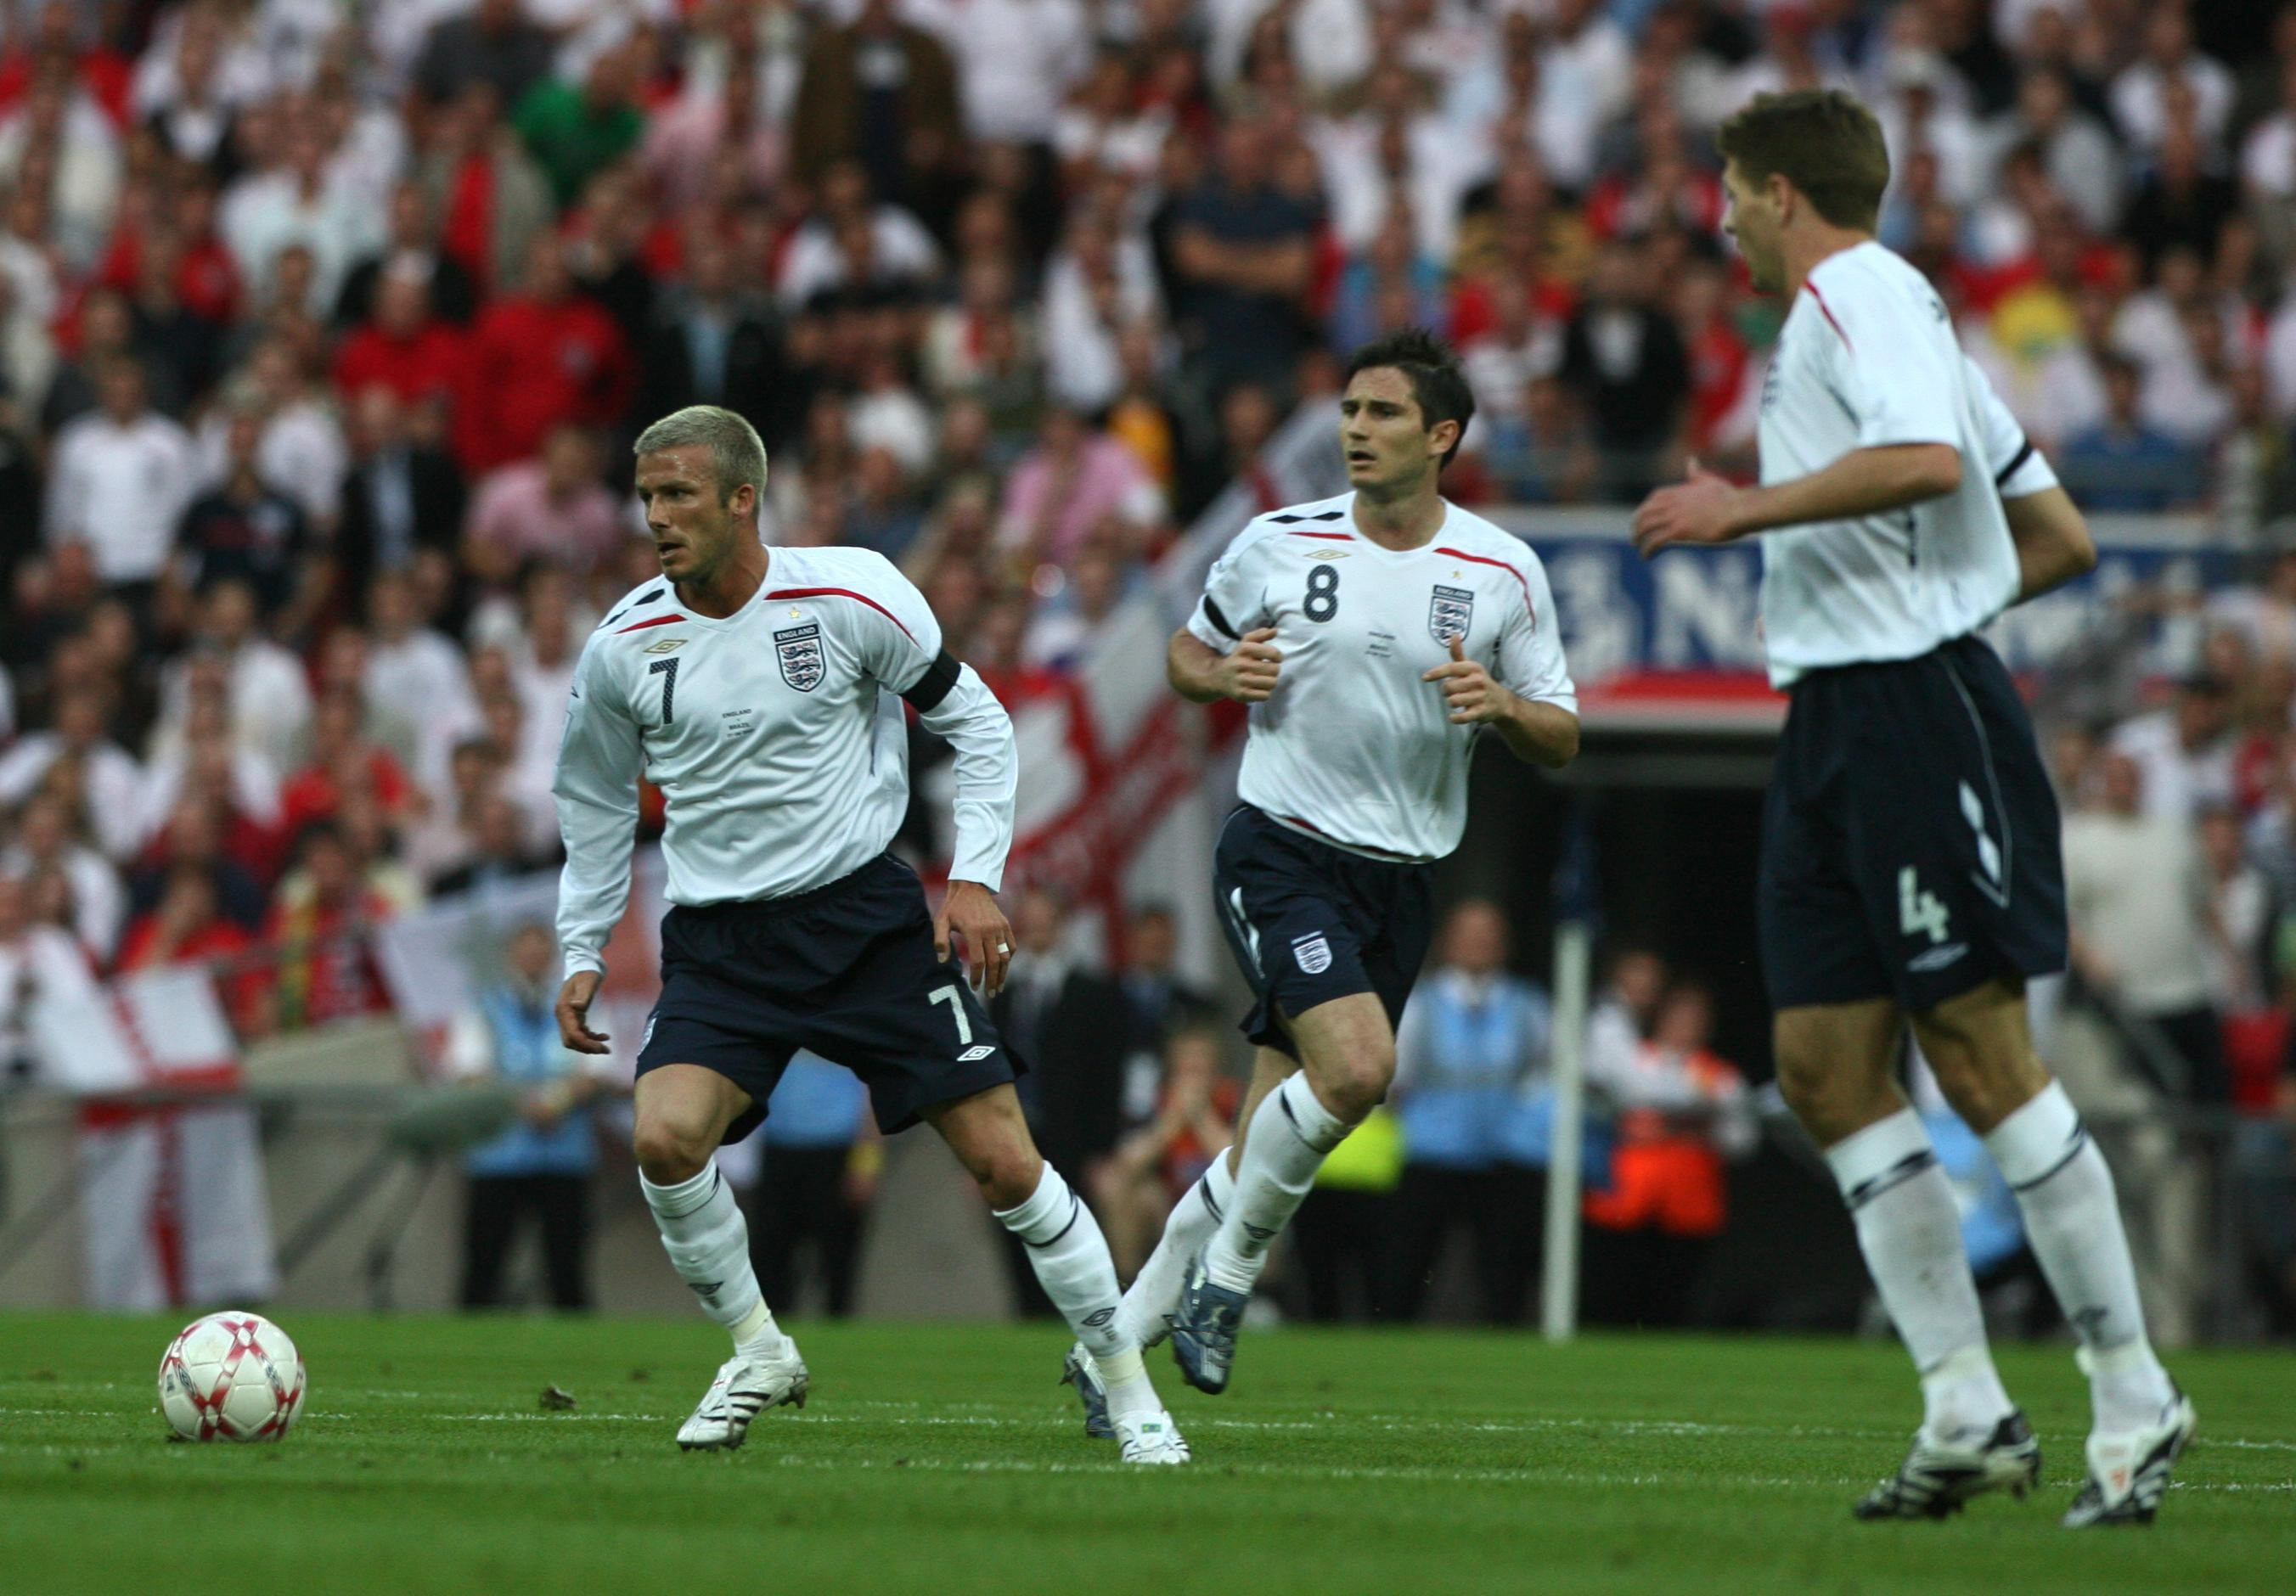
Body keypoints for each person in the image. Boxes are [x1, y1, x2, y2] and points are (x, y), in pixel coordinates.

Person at [1629, 88, 2188, 1526]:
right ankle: (1962, 1408)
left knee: (1978, 1050)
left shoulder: (1857, 292)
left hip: (1904, 708)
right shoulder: (1902, 317)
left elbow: (1930, 469)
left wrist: (1737, 511)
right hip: (1835, 713)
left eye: (1731, 193)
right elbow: (2048, 531)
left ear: (1773, 195)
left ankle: (2129, 1392)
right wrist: (1944, 586)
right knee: (1819, 1065)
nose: (1722, 220)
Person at [550, 405, 1185, 1462]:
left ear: (742, 499)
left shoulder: (849, 591)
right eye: (648, 495)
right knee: (663, 1136)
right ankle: (757, 1346)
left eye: (679, 495)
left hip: (862, 923)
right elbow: (595, 801)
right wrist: (581, 944)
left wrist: (975, 877)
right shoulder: (624, 643)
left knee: (1005, 1164)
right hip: (720, 943)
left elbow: (977, 720)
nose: (656, 516)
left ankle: (1128, 1390)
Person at [1064, 327, 1579, 1427]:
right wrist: (1220, 674)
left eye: (1382, 413)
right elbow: (1186, 654)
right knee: (1356, 1070)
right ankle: (1228, 1290)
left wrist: (1503, 707)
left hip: (1400, 880)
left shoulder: (1500, 570)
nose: (1355, 429)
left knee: (1265, 1137)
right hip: (1285, 847)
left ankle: (1114, 1349)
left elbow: (1563, 730)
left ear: (1441, 436)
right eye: (1349, 410)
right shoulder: (1278, 541)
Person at [1387, 899, 1550, 1323]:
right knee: (1406, 1268)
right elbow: (1396, 1077)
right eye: (1469, 934)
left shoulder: (1528, 1005)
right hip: (1429, 1156)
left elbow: (1544, 1075)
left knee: (1504, 1275)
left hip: (1503, 1159)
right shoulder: (1419, 1003)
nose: (1479, 944)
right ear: (1447, 942)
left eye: (1489, 935)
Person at [449, 922, 613, 1311]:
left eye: (540, 951)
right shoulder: (483, 1005)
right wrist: (525, 1104)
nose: (533, 960)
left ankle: (576, 1355)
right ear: (510, 957)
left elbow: (600, 1072)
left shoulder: (581, 1005)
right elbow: (468, 1072)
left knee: (567, 1266)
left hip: (564, 1156)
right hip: (497, 1158)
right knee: (484, 1264)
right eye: (525, 951)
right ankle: (469, 1350)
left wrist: (554, 1103)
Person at [743, 1053, 879, 1320]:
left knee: (837, 1253)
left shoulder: (854, 1030)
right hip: (779, 1150)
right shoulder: (774, 1024)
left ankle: (838, 1331)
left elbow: (873, 1103)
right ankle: (773, 1333)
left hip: (837, 1153)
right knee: (771, 1251)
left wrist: (865, 1166)